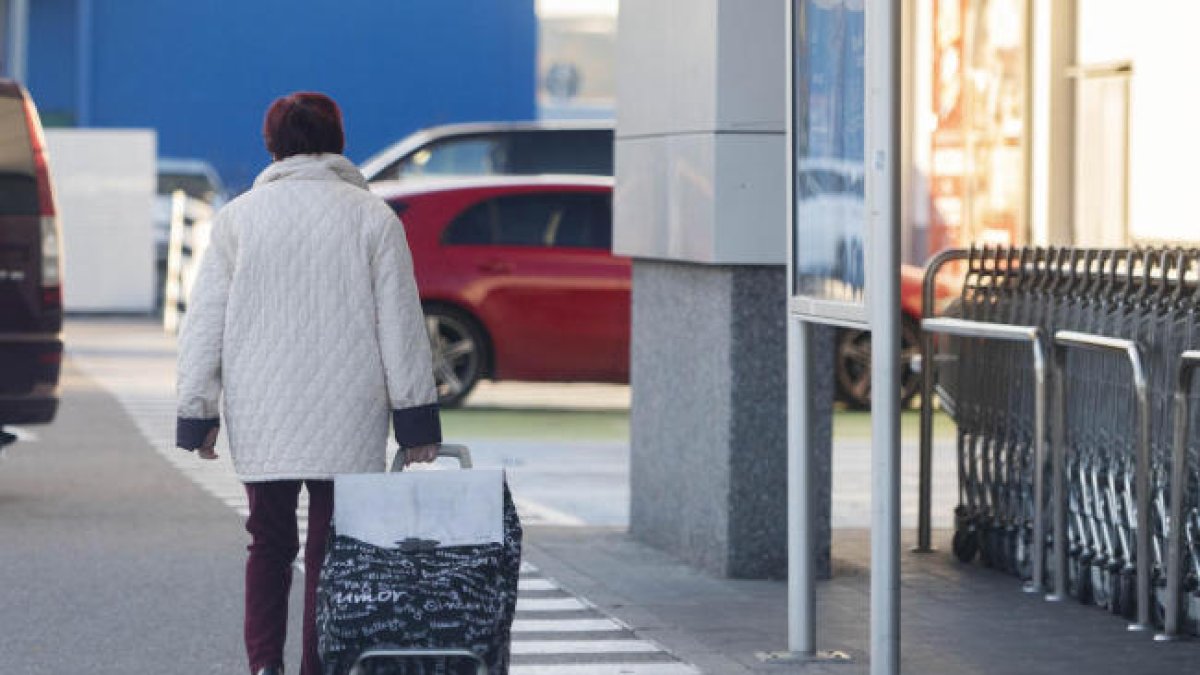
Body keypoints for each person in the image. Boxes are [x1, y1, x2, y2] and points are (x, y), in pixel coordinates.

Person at [175, 92, 442, 675]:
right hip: (350, 409)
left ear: (271, 144)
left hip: (264, 408)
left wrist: (198, 413)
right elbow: (401, 325)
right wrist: (416, 421)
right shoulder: (374, 218)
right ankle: (317, 668)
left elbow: (205, 323)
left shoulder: (238, 219)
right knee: (331, 552)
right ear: (337, 141)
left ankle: (264, 666)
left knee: (268, 544)